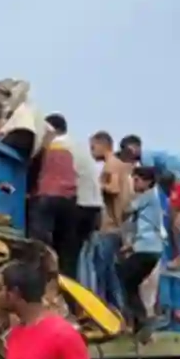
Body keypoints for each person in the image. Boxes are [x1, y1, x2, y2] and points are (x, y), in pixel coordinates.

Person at [118, 135, 180, 268]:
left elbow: (148, 179)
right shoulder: (151, 160)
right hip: (175, 178)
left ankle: (179, 258)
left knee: (173, 218)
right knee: (169, 205)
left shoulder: (146, 156)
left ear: (133, 148)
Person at [29, 115, 79, 276]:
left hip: (47, 196)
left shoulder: (47, 145)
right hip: (69, 199)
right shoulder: (73, 147)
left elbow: (33, 169)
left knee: (39, 244)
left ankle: (39, 276)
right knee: (65, 248)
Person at [117, 166, 164, 336]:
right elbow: (146, 227)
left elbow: (126, 210)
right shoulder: (152, 200)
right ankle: (140, 321)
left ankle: (141, 319)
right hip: (149, 248)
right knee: (130, 282)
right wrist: (130, 247)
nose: (134, 184)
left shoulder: (147, 196)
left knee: (123, 277)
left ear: (148, 182)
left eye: (136, 180)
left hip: (146, 249)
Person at [89, 131, 131, 309]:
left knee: (103, 272)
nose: (91, 152)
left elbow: (113, 188)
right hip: (119, 226)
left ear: (102, 145)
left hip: (109, 226)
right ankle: (119, 311)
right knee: (112, 274)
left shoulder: (111, 165)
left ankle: (105, 310)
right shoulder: (122, 166)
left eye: (93, 147)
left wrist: (95, 185)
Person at [60, 118, 103, 289]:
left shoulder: (60, 146)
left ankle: (69, 292)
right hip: (95, 207)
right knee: (83, 258)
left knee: (69, 255)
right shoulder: (77, 147)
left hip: (81, 204)